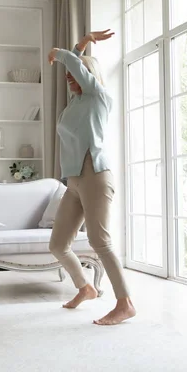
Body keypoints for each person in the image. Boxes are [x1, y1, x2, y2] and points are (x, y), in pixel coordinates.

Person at [47, 30, 136, 325]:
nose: (69, 78)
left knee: (100, 241)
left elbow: (76, 65)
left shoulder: (99, 96)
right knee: (58, 245)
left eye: (74, 75)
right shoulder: (75, 104)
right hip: (73, 181)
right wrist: (80, 44)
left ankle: (125, 303)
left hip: (95, 176)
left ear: (88, 75)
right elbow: (76, 64)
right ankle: (86, 287)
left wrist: (62, 53)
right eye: (68, 76)